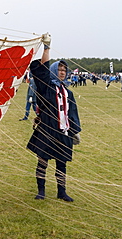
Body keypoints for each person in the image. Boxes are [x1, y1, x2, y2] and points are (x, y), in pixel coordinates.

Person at [26, 33, 81, 202]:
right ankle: (41, 191)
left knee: (61, 163)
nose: (62, 72)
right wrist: (47, 48)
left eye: (65, 70)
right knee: (43, 160)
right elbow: (42, 69)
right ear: (53, 70)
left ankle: (61, 191)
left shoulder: (68, 92)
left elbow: (71, 113)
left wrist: (75, 131)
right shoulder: (46, 86)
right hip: (47, 128)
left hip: (63, 132)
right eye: (59, 69)